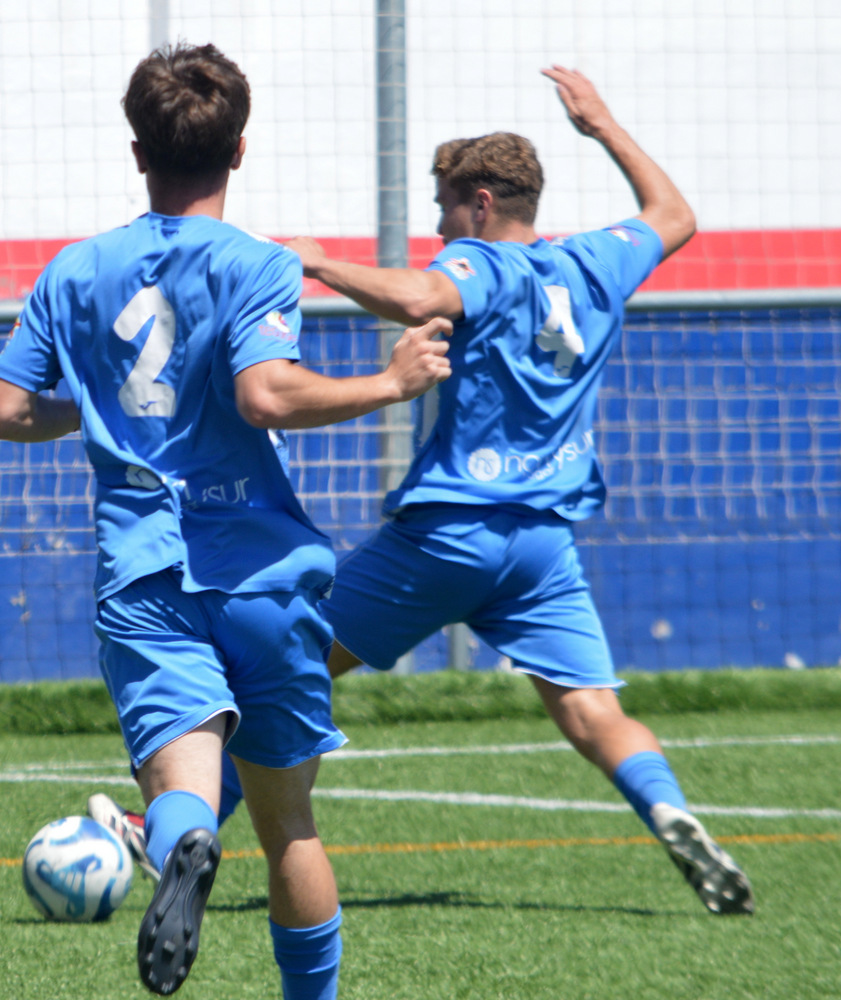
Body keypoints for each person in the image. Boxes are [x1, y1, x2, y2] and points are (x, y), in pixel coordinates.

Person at [0, 44, 450, 998]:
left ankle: (186, 843)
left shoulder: (75, 270)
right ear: (239, 151)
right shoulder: (258, 264)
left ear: (136, 150)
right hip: (262, 576)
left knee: (185, 789)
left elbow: (2, 411)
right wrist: (389, 383)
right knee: (291, 829)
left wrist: (102, 410)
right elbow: (265, 395)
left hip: (145, 572)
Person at [276, 65, 748, 915]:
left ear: (482, 205)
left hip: (446, 538)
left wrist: (315, 261)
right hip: (542, 548)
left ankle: (163, 835)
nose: (437, 225)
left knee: (289, 674)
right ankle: (668, 807)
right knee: (593, 716)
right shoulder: (597, 262)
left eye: (445, 208)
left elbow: (423, 292)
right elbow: (675, 216)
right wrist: (602, 122)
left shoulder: (482, 264)